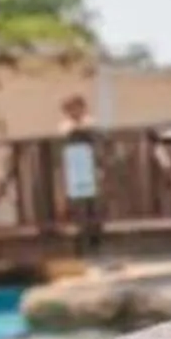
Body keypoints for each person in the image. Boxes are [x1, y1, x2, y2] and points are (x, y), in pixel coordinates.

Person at [60, 94, 104, 255]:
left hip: (90, 165)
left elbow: (97, 140)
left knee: (93, 204)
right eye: (70, 109)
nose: (74, 112)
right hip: (75, 167)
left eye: (77, 108)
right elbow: (65, 135)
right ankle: (80, 238)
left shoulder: (91, 123)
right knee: (77, 205)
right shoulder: (65, 126)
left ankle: (95, 238)